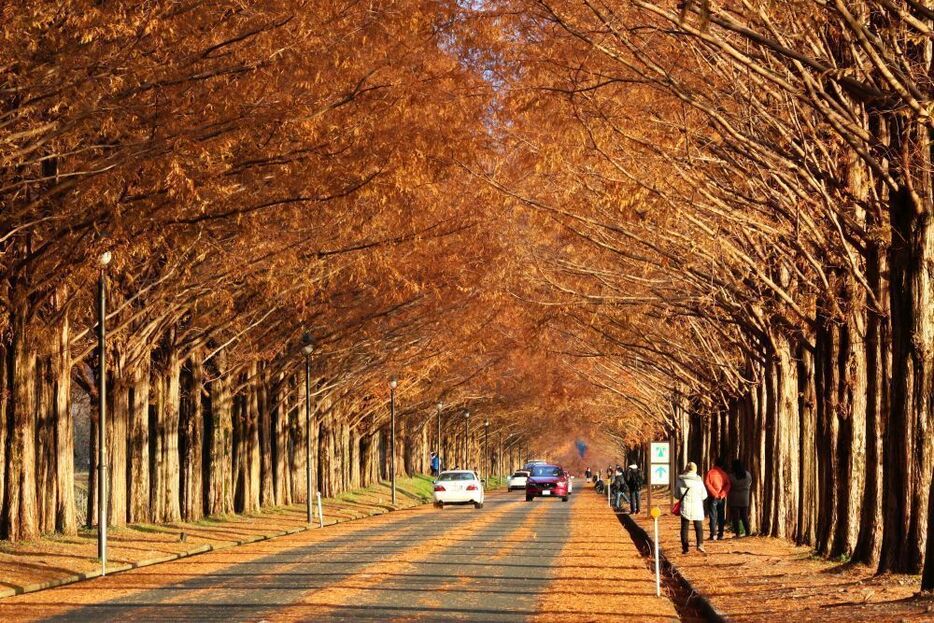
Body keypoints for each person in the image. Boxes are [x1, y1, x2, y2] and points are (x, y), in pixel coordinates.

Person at [676, 462, 708, 554]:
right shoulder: (699, 481)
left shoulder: (680, 480)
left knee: (684, 527)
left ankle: (685, 547)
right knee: (698, 526)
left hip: (685, 506)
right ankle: (700, 544)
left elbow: (676, 495)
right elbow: (704, 495)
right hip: (697, 506)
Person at [704, 456, 731, 541]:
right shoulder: (724, 474)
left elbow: (707, 484)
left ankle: (713, 534)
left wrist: (714, 494)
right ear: (722, 465)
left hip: (713, 497)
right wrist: (722, 494)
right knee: (721, 516)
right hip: (721, 498)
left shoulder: (710, 473)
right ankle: (721, 534)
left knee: (713, 516)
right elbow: (728, 484)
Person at [728, 459, 752, 538]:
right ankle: (748, 532)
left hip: (734, 498)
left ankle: (737, 533)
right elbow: (750, 482)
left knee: (736, 517)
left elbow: (729, 485)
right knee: (744, 515)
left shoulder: (731, 476)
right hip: (745, 498)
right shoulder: (748, 475)